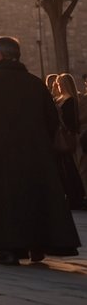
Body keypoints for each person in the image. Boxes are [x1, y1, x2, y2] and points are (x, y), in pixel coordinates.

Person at [0, 36, 81, 265]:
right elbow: (52, 119)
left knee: (4, 202)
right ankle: (36, 245)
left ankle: (9, 249)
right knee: (34, 199)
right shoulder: (34, 83)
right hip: (36, 154)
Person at [53, 73, 86, 209]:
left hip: (69, 136)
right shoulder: (60, 99)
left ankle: (79, 195)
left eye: (61, 84)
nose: (59, 87)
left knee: (76, 166)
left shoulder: (70, 100)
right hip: (63, 135)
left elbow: (72, 121)